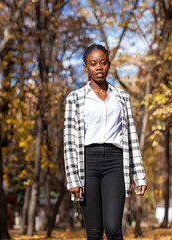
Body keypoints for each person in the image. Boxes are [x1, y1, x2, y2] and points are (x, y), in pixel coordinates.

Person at [63, 44, 147, 240]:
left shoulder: (122, 98)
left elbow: (131, 137)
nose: (98, 67)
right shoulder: (74, 98)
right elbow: (69, 140)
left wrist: (140, 175)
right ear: (86, 67)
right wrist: (72, 178)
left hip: (115, 162)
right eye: (93, 64)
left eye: (103, 63)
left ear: (109, 65)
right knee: (93, 232)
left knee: (113, 228)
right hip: (87, 162)